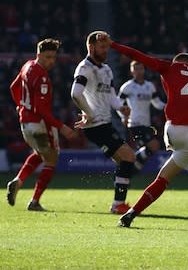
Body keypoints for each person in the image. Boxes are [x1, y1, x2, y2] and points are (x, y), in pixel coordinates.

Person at [96, 33, 188, 228]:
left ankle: (167, 148)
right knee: (163, 180)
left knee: (164, 141)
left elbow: (138, 56)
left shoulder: (171, 67)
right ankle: (130, 214)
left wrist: (113, 44)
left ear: (177, 61)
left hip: (175, 130)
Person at [71, 31, 137, 214]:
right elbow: (75, 93)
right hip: (95, 125)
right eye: (102, 46)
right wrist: (89, 113)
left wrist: (121, 107)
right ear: (91, 47)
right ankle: (118, 205)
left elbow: (111, 96)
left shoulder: (107, 70)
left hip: (104, 124)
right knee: (129, 157)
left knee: (124, 162)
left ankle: (118, 203)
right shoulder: (84, 68)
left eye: (107, 46)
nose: (106, 50)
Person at [7, 38, 76, 211]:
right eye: (47, 57)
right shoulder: (43, 78)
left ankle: (18, 180)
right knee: (52, 159)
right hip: (40, 124)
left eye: (53, 57)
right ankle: (35, 201)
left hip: (25, 124)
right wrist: (62, 127)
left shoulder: (27, 66)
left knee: (40, 153)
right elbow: (41, 110)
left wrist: (20, 104)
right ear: (39, 54)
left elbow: (13, 87)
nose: (51, 61)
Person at [118, 60, 166, 171]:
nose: (139, 71)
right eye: (136, 69)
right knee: (154, 145)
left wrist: (168, 106)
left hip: (146, 123)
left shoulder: (150, 86)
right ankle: (131, 166)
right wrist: (123, 117)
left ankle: (131, 168)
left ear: (144, 70)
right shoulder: (128, 86)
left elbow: (157, 103)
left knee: (150, 149)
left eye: (141, 68)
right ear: (131, 71)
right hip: (134, 123)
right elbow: (118, 104)